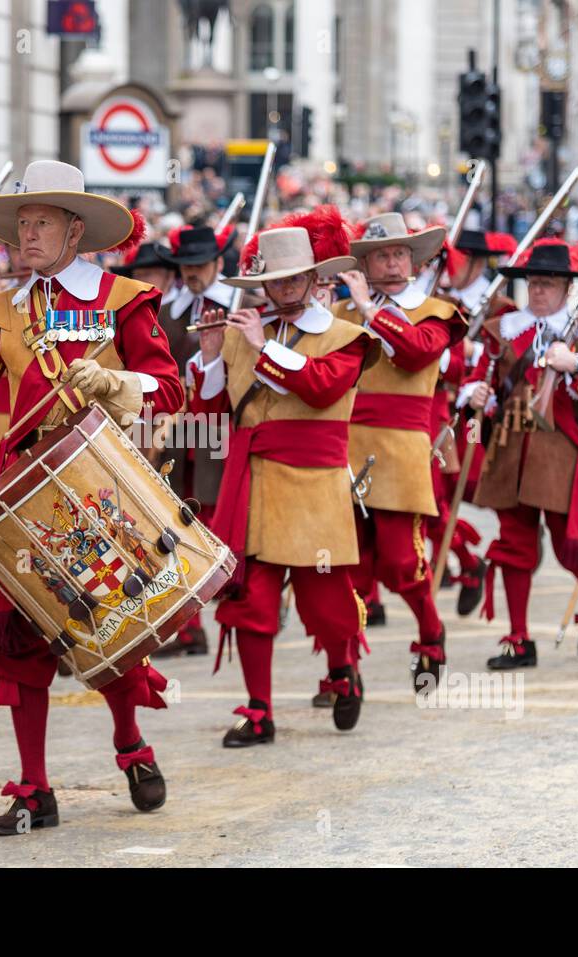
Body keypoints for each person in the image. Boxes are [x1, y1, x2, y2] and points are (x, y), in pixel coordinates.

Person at [0, 161, 185, 835]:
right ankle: (34, 788)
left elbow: (169, 387)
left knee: (108, 626)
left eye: (40, 222)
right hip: (15, 496)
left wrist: (113, 381)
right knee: (15, 639)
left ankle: (131, 740)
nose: (26, 234)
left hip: (95, 492)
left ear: (75, 229)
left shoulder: (122, 298)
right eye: (21, 223)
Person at [189, 207, 378, 745]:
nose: (285, 289)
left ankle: (343, 668)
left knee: (329, 605)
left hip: (317, 485)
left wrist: (260, 347)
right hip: (255, 482)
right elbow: (209, 419)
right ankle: (258, 708)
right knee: (251, 602)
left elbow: (319, 387)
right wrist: (208, 361)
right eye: (273, 281)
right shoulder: (241, 333)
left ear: (316, 278)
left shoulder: (348, 336)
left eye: (295, 277)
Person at [459, 239, 578, 668]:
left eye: (547, 284)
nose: (537, 291)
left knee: (573, 547)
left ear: (567, 288)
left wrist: (575, 365)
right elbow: (480, 381)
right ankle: (518, 638)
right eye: (532, 282)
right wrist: (474, 396)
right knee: (514, 546)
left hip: (559, 450)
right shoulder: (505, 330)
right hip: (510, 447)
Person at [331, 212, 466, 690]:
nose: (391, 263)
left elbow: (415, 352)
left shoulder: (438, 312)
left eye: (398, 254)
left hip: (403, 449)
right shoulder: (340, 313)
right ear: (364, 264)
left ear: (412, 259)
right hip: (346, 447)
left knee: (401, 562)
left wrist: (369, 309)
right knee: (349, 568)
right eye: (379, 255)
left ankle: (431, 632)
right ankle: (345, 666)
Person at [149, 225, 235, 657]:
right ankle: (189, 628)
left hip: (218, 437)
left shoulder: (239, 307)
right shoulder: (167, 311)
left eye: (200, 264)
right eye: (186, 266)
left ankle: (243, 606)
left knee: (218, 533)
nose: (193, 273)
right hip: (173, 435)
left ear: (218, 263)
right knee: (173, 532)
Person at [435, 230, 519, 617]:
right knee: (436, 494)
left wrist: (473, 351)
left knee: (474, 485)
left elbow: (511, 353)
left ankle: (514, 538)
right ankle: (463, 561)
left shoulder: (499, 306)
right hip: (442, 408)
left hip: (476, 416)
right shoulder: (439, 302)